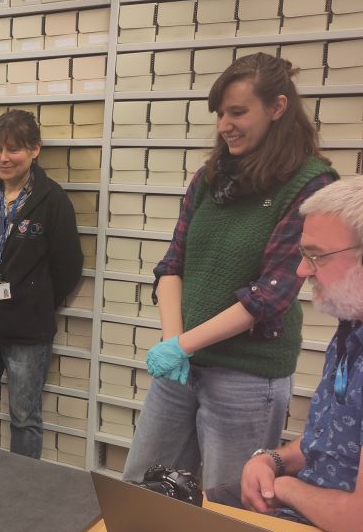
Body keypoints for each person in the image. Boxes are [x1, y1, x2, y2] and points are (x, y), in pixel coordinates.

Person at [123, 52, 338, 496]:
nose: (225, 124)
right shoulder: (209, 178)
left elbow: (269, 296)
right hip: (183, 365)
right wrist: (173, 343)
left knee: (228, 504)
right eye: (221, 113)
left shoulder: (310, 184)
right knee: (143, 488)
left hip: (247, 377)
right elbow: (172, 265)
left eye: (238, 111)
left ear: (277, 108)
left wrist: (183, 343)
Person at [239, 179, 363, 532]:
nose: (302, 271)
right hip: (312, 521)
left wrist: (288, 488)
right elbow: (333, 440)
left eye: (316, 255)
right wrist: (271, 461)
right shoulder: (350, 330)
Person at [0, 109, 84, 458]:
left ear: (35, 150)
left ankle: (22, 494)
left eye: (13, 149)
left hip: (29, 328)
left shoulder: (53, 200)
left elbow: (69, 264)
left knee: (25, 419)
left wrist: (36, 297)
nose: (3, 158)